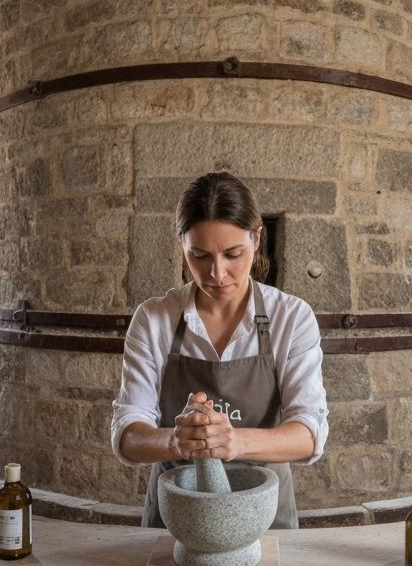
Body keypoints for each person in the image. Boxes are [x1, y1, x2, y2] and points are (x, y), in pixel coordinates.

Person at [111, 171, 329, 529]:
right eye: (199, 256)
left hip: (264, 514)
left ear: (257, 238)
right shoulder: (154, 319)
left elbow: (308, 434)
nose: (217, 273)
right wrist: (176, 440)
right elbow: (128, 434)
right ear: (181, 244)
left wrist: (233, 441)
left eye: (233, 254)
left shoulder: (291, 317)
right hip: (177, 514)